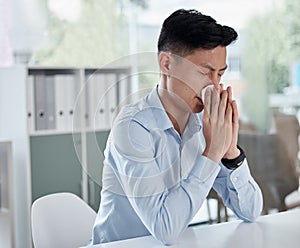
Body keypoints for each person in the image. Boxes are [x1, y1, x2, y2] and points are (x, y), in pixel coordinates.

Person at [91, 9, 263, 245]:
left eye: (220, 74)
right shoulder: (133, 128)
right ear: (166, 64)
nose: (213, 87)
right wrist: (212, 152)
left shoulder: (204, 125)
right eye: (204, 72)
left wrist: (230, 152)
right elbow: (165, 229)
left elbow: (251, 212)